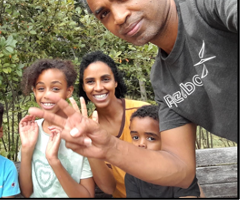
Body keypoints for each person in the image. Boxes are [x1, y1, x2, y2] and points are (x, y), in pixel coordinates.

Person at [28, 0, 237, 190]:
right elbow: (180, 169)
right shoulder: (163, 80)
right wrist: (109, 147)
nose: (119, 17)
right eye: (104, 13)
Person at [18, 59, 95, 197]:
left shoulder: (80, 134)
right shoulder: (32, 131)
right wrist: (26, 149)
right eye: (41, 88)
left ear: (69, 91)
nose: (47, 95)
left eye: (55, 89)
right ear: (34, 91)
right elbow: (27, 192)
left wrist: (54, 161)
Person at [77, 50, 149, 197]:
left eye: (105, 79)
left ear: (115, 81)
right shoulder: (87, 128)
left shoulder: (143, 112)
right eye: (90, 81)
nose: (98, 87)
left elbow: (177, 165)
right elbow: (109, 188)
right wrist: (88, 143)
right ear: (84, 87)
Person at [125, 105, 204, 198]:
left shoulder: (180, 171)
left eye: (151, 138)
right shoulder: (132, 174)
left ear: (167, 140)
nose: (141, 144)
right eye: (135, 137)